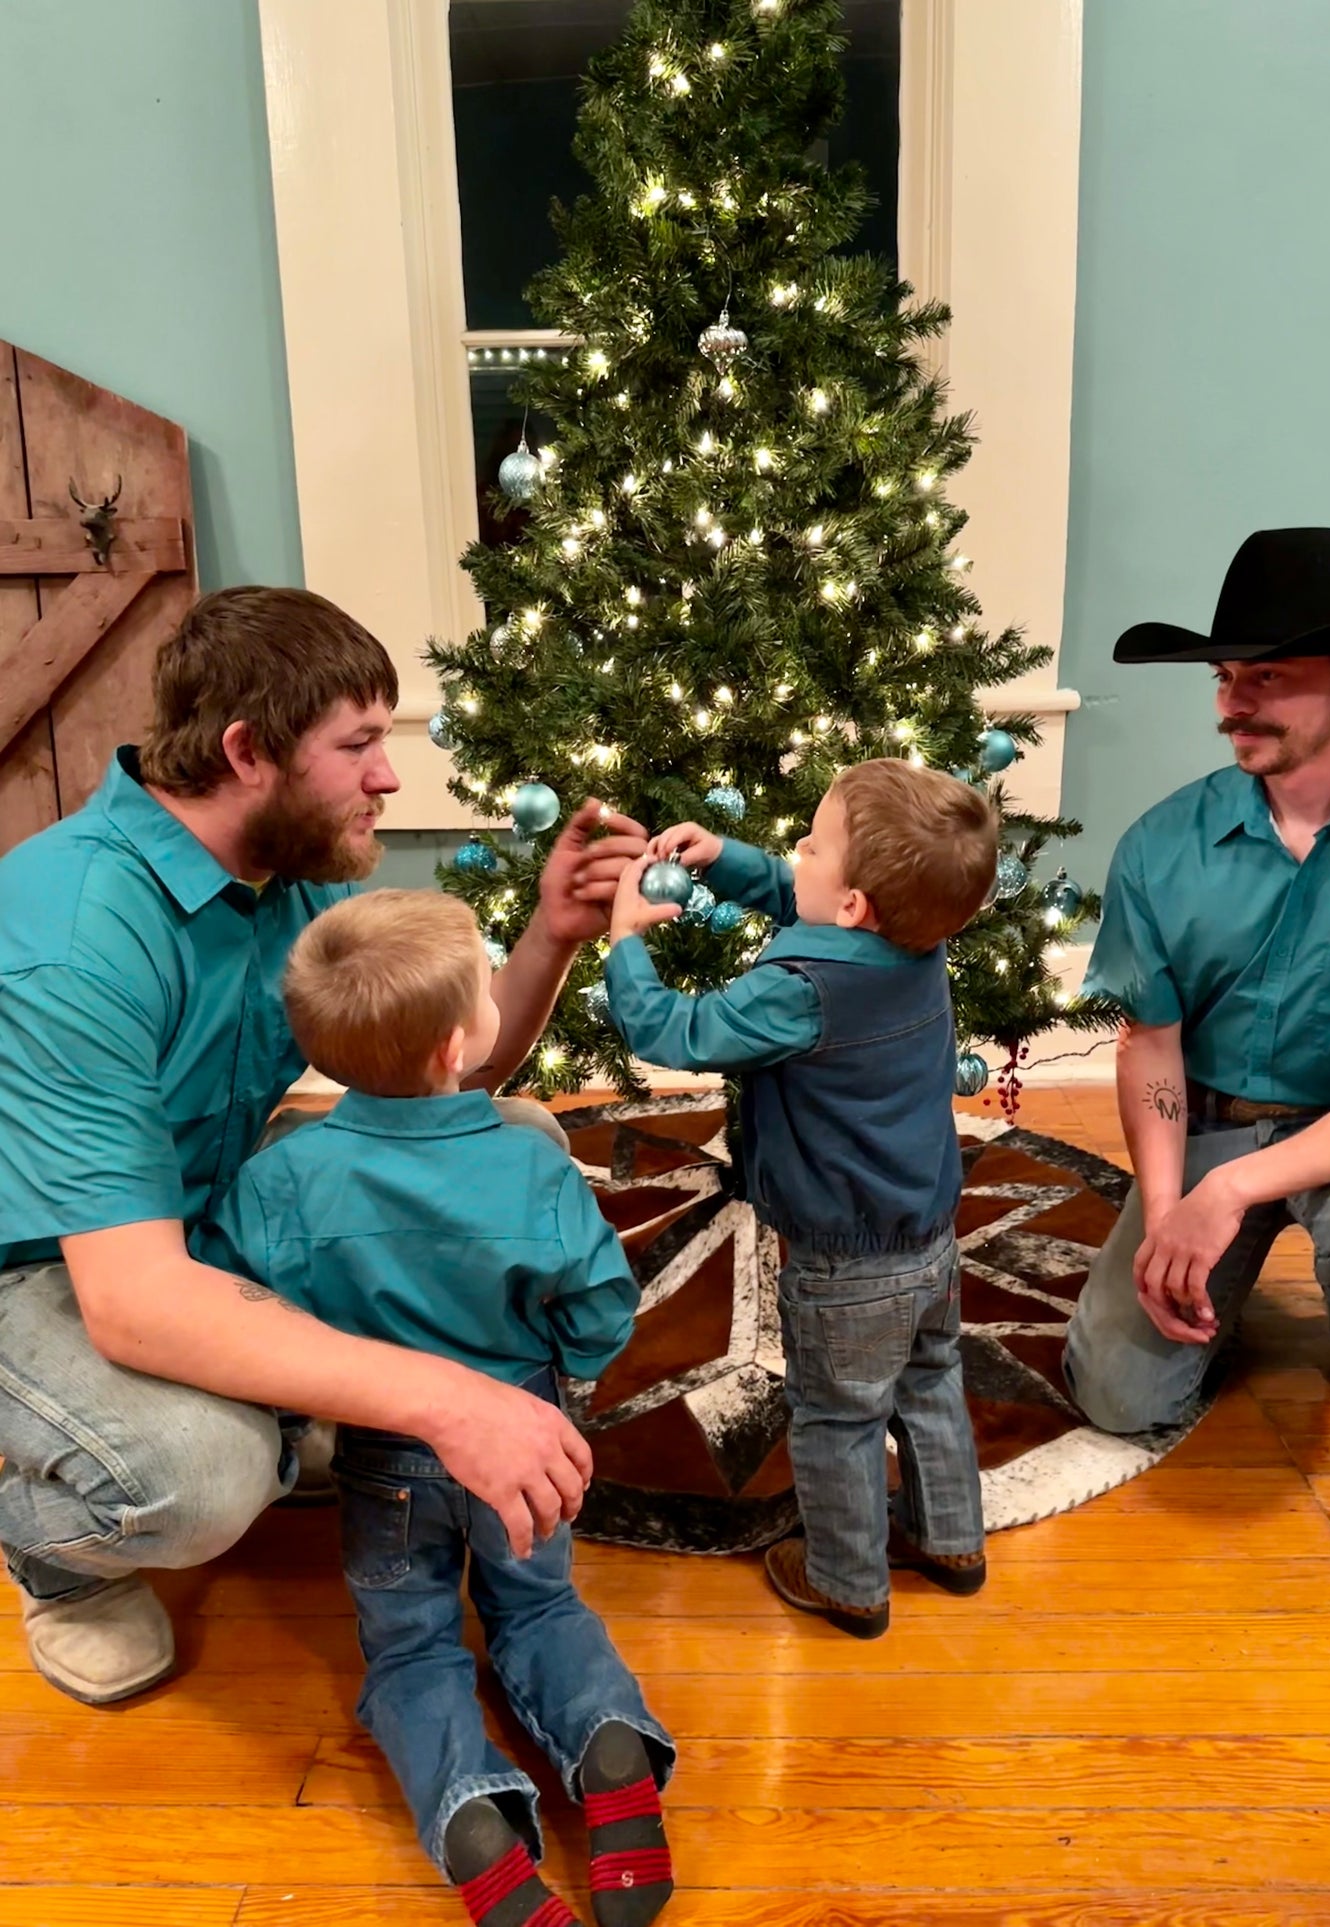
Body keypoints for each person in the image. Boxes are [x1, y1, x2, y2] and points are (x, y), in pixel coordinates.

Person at [0, 586, 650, 1707]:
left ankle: (296, 1407)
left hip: (195, 1212)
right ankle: (53, 1550)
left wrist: (550, 934)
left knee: (511, 1141)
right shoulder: (76, 936)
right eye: (357, 745)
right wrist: (449, 1399)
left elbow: (444, 1073)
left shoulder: (276, 875)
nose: (387, 778)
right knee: (202, 1476)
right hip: (55, 1259)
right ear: (249, 752)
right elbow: (134, 1299)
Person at [196, 889, 673, 1927]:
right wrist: (567, 1366)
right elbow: (600, 1306)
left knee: (413, 1650)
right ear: (461, 1044)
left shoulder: (283, 1177)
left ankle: (471, 1827)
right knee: (541, 1605)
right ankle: (607, 1748)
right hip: (529, 1439)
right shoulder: (532, 1161)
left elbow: (233, 1302)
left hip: (385, 1461)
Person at [1063, 527, 1330, 1441]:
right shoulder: (1160, 845)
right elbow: (1148, 1044)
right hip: (1207, 1121)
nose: (1230, 706)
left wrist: (1229, 1198)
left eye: (1266, 678)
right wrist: (1167, 1217)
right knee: (1117, 1399)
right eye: (1223, 676)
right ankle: (1203, 1283)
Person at [603, 758, 997, 1639]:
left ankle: (847, 1579)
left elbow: (676, 1029)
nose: (795, 852)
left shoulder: (799, 992)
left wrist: (625, 941)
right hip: (928, 1233)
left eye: (810, 844)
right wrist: (727, 859)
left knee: (836, 1415)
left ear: (855, 903)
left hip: (843, 1256)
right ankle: (952, 1540)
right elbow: (809, 899)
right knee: (931, 1380)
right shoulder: (917, 941)